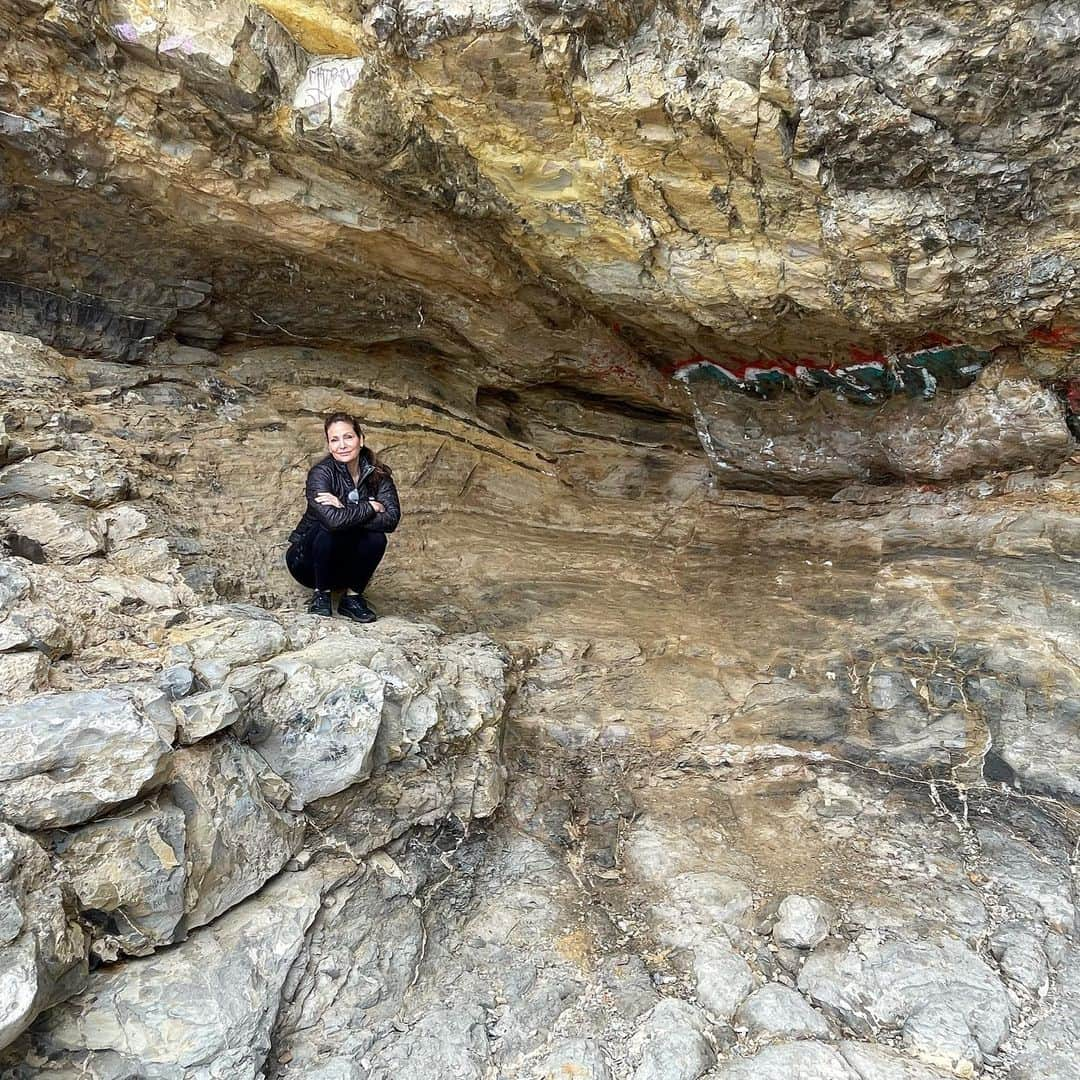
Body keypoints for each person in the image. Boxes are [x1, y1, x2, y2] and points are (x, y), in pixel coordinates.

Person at [285, 412, 401, 620]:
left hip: (346, 568)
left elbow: (391, 519)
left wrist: (346, 507)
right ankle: (322, 595)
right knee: (330, 529)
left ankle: (352, 598)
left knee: (377, 538)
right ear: (329, 446)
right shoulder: (321, 474)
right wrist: (371, 506)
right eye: (335, 440)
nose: (342, 445)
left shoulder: (379, 475)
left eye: (348, 437)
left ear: (361, 439)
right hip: (306, 564)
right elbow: (333, 521)